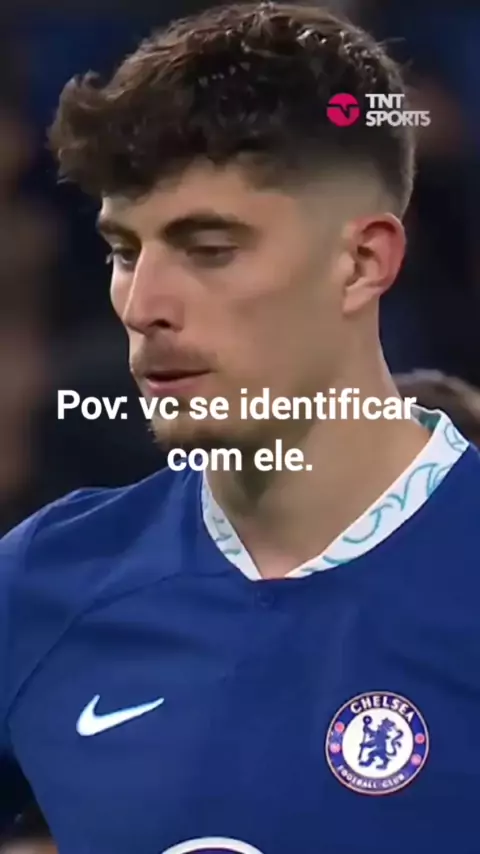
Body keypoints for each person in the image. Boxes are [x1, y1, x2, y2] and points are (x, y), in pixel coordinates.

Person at [1, 3, 479, 852]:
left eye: (209, 248)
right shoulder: (40, 587)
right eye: (124, 252)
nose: (144, 306)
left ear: (363, 261)